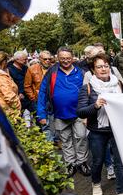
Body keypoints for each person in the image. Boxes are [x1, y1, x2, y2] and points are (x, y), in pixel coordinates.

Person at [77, 53, 123, 195]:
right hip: (97, 131)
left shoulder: (119, 84)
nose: (103, 69)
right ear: (93, 70)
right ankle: (96, 184)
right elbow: (80, 112)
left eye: (106, 66)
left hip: (117, 130)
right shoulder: (87, 87)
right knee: (98, 161)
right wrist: (96, 105)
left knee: (120, 164)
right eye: (99, 66)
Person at [37, 47, 90, 177]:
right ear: (58, 58)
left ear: (72, 58)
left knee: (81, 137)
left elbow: (89, 91)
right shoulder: (52, 72)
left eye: (68, 58)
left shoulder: (81, 72)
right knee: (65, 140)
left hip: (79, 113)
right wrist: (41, 114)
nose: (65, 61)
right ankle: (70, 163)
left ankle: (82, 162)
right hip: (59, 114)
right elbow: (43, 92)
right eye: (62, 59)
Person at [24, 50, 54, 141]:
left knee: (54, 122)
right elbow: (27, 86)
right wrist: (33, 98)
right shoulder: (32, 69)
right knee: (43, 123)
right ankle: (49, 145)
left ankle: (54, 141)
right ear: (40, 59)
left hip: (53, 100)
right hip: (39, 100)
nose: (47, 61)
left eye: (49, 59)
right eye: (45, 59)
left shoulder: (54, 68)